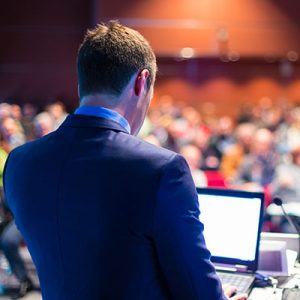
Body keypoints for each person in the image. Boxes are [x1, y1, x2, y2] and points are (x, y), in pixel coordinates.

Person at [3, 21, 246, 300]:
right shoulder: (162, 169)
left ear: (82, 80)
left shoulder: (19, 163)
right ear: (142, 81)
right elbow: (197, 291)